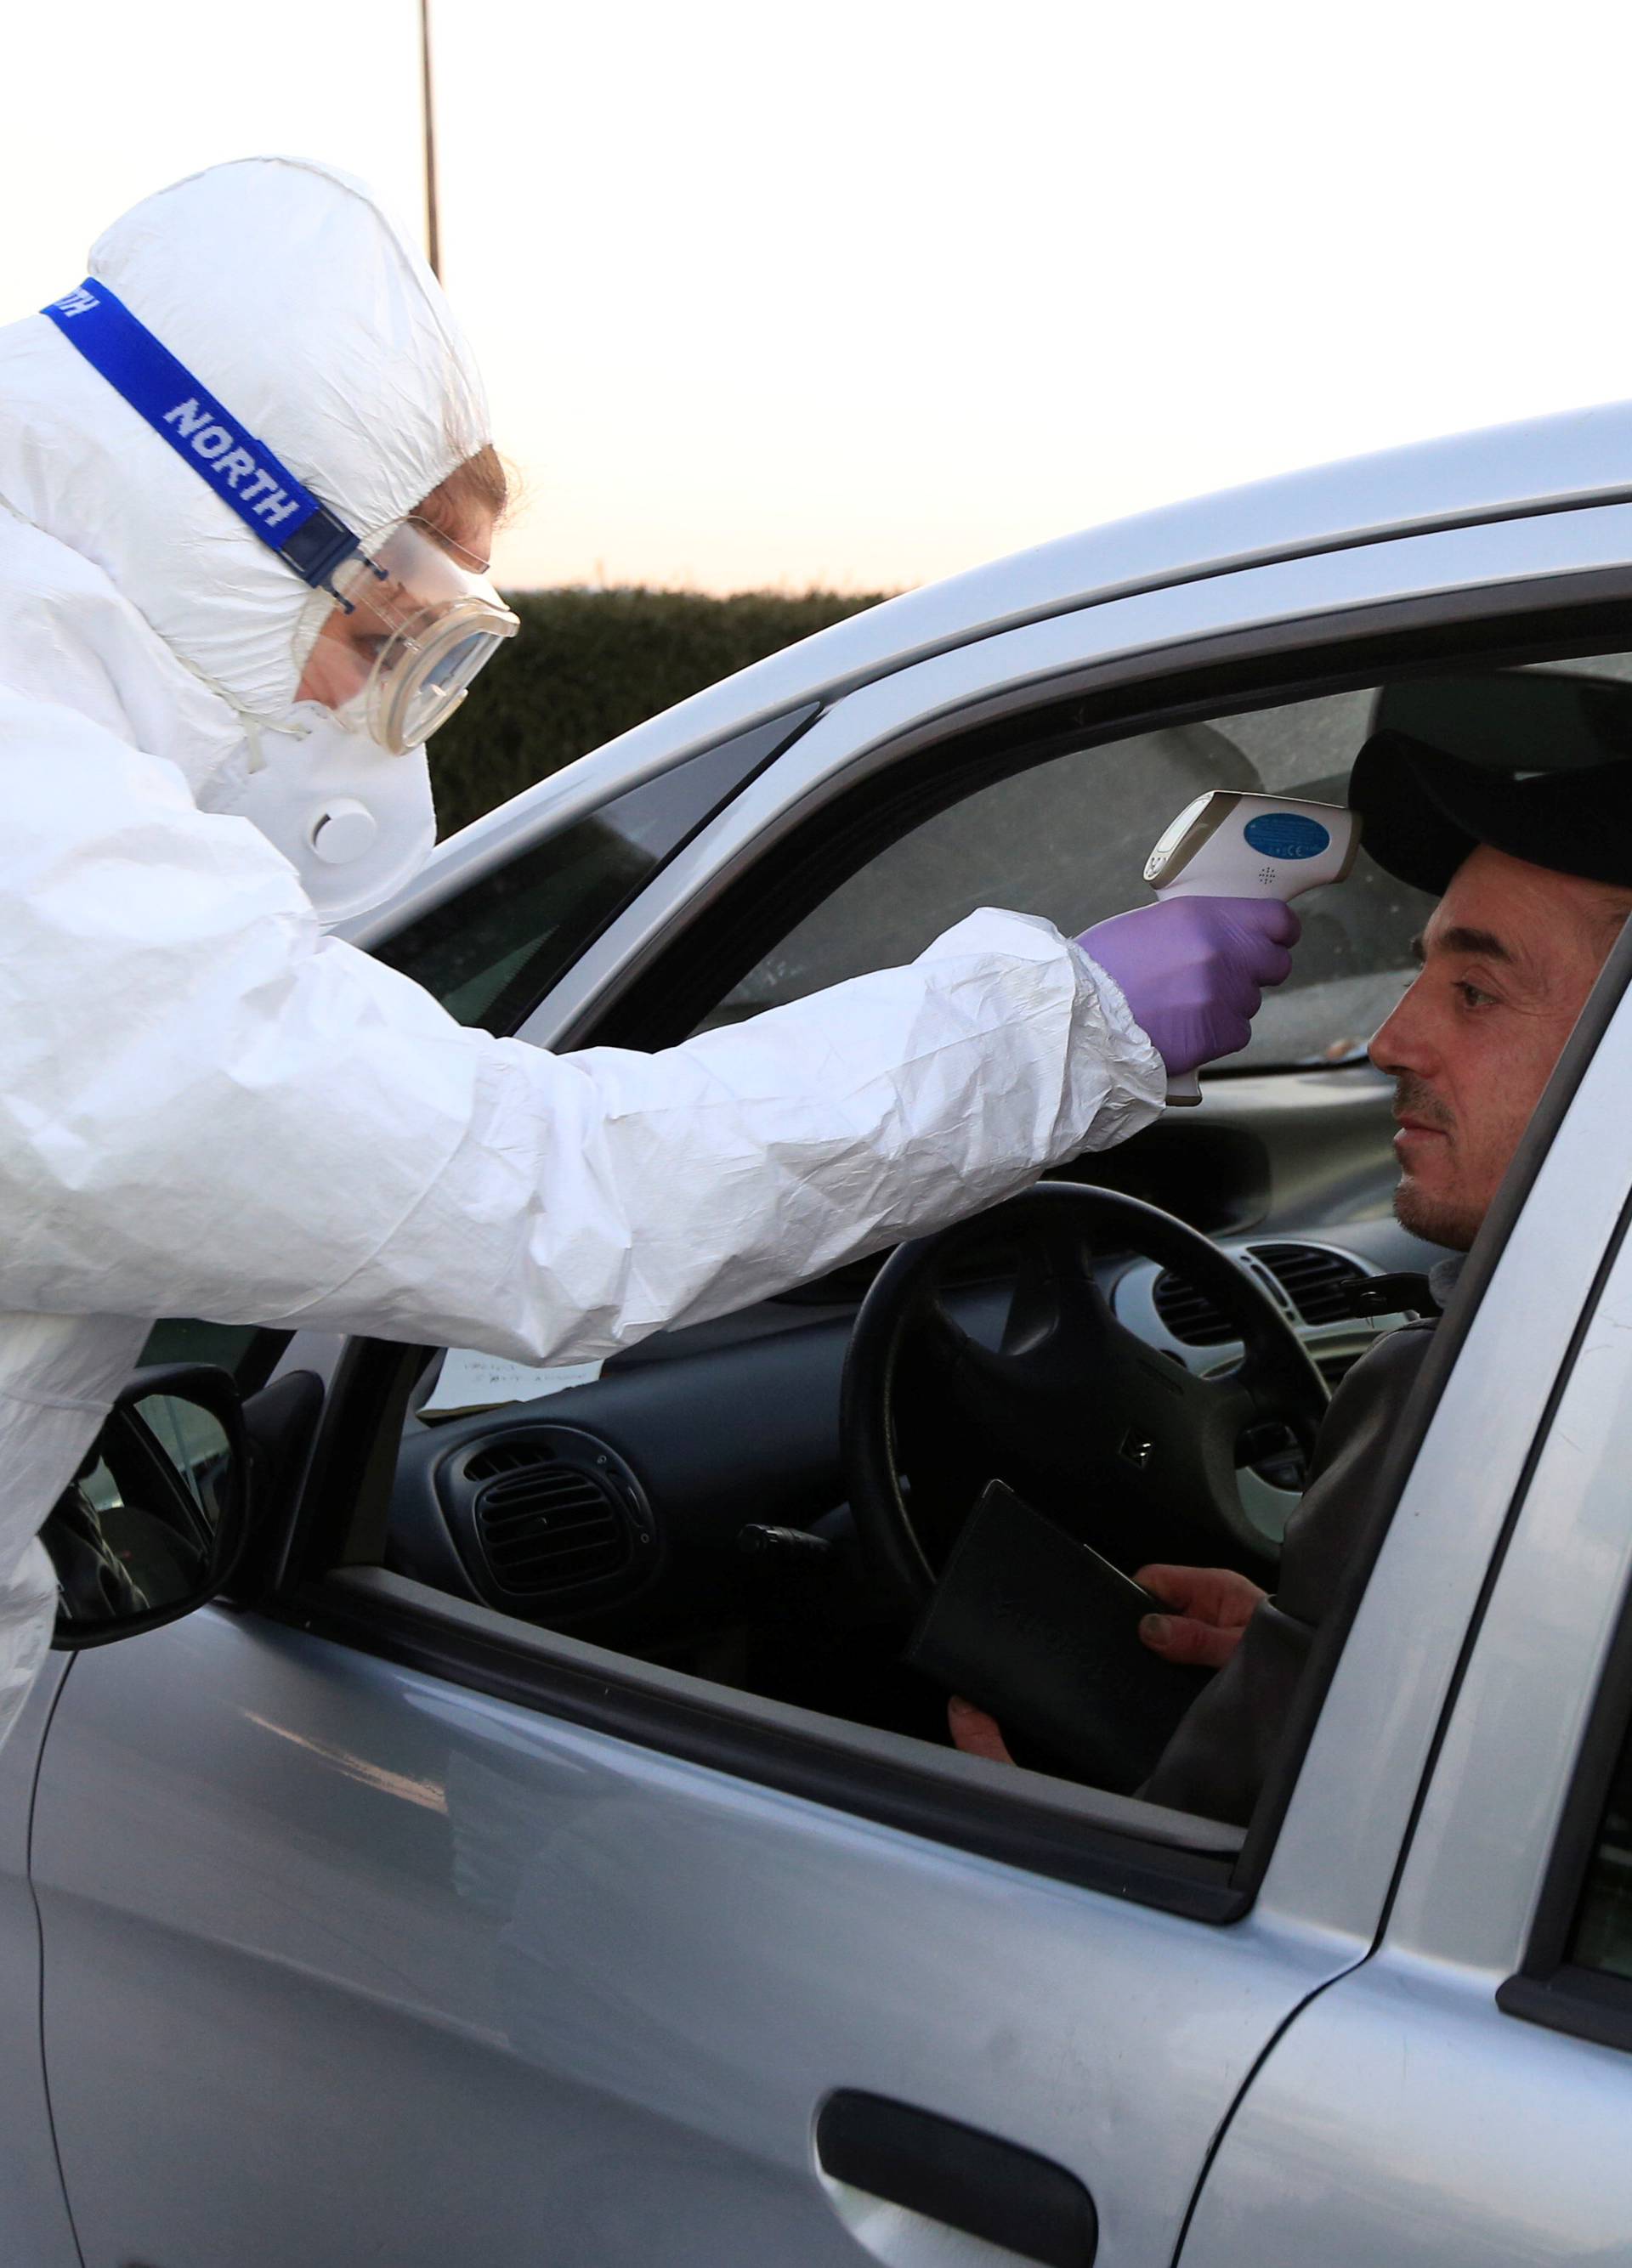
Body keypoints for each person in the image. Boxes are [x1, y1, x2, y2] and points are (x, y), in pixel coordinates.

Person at [0, 155, 1299, 1751]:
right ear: (215, 512)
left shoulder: (52, 767)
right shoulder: (37, 855)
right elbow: (536, 1199)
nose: (351, 704)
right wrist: (1062, 1025)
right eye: (379, 622)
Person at [949, 707, 1632, 1822]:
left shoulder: (1471, 1410)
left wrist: (1020, 1838)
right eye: (1423, 976)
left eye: (1476, 991)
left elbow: (1183, 1890)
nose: (1391, 1040)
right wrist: (1320, 1654)